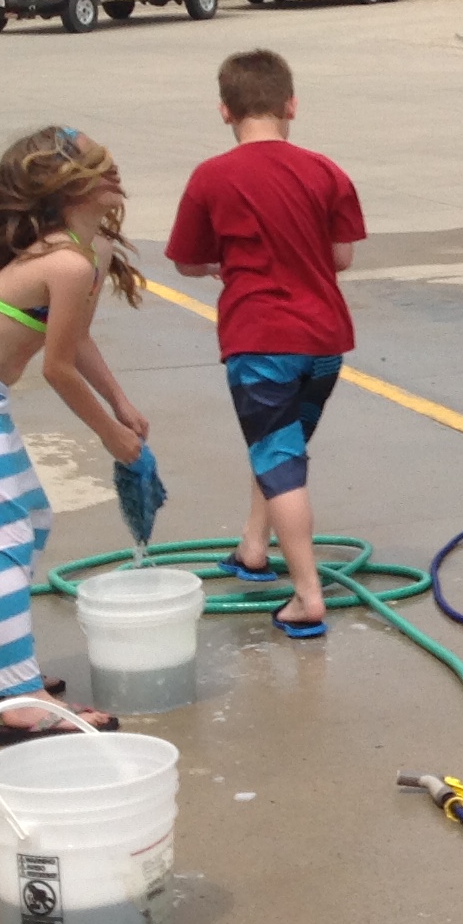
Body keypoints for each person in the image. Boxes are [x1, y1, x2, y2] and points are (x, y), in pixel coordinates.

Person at [0, 128, 148, 733]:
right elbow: (58, 367)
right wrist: (109, 436)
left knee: (22, 520)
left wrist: (122, 403)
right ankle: (18, 700)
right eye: (100, 166)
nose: (115, 170)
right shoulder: (66, 261)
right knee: (0, 538)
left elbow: (77, 340)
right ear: (66, 186)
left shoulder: (86, 253)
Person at [166, 49, 365, 639]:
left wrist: (218, 270)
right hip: (325, 342)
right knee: (281, 446)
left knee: (280, 464)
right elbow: (342, 257)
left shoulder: (212, 177)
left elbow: (185, 259)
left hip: (260, 342)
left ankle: (307, 596)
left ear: (224, 111)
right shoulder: (325, 170)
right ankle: (254, 546)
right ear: (292, 106)